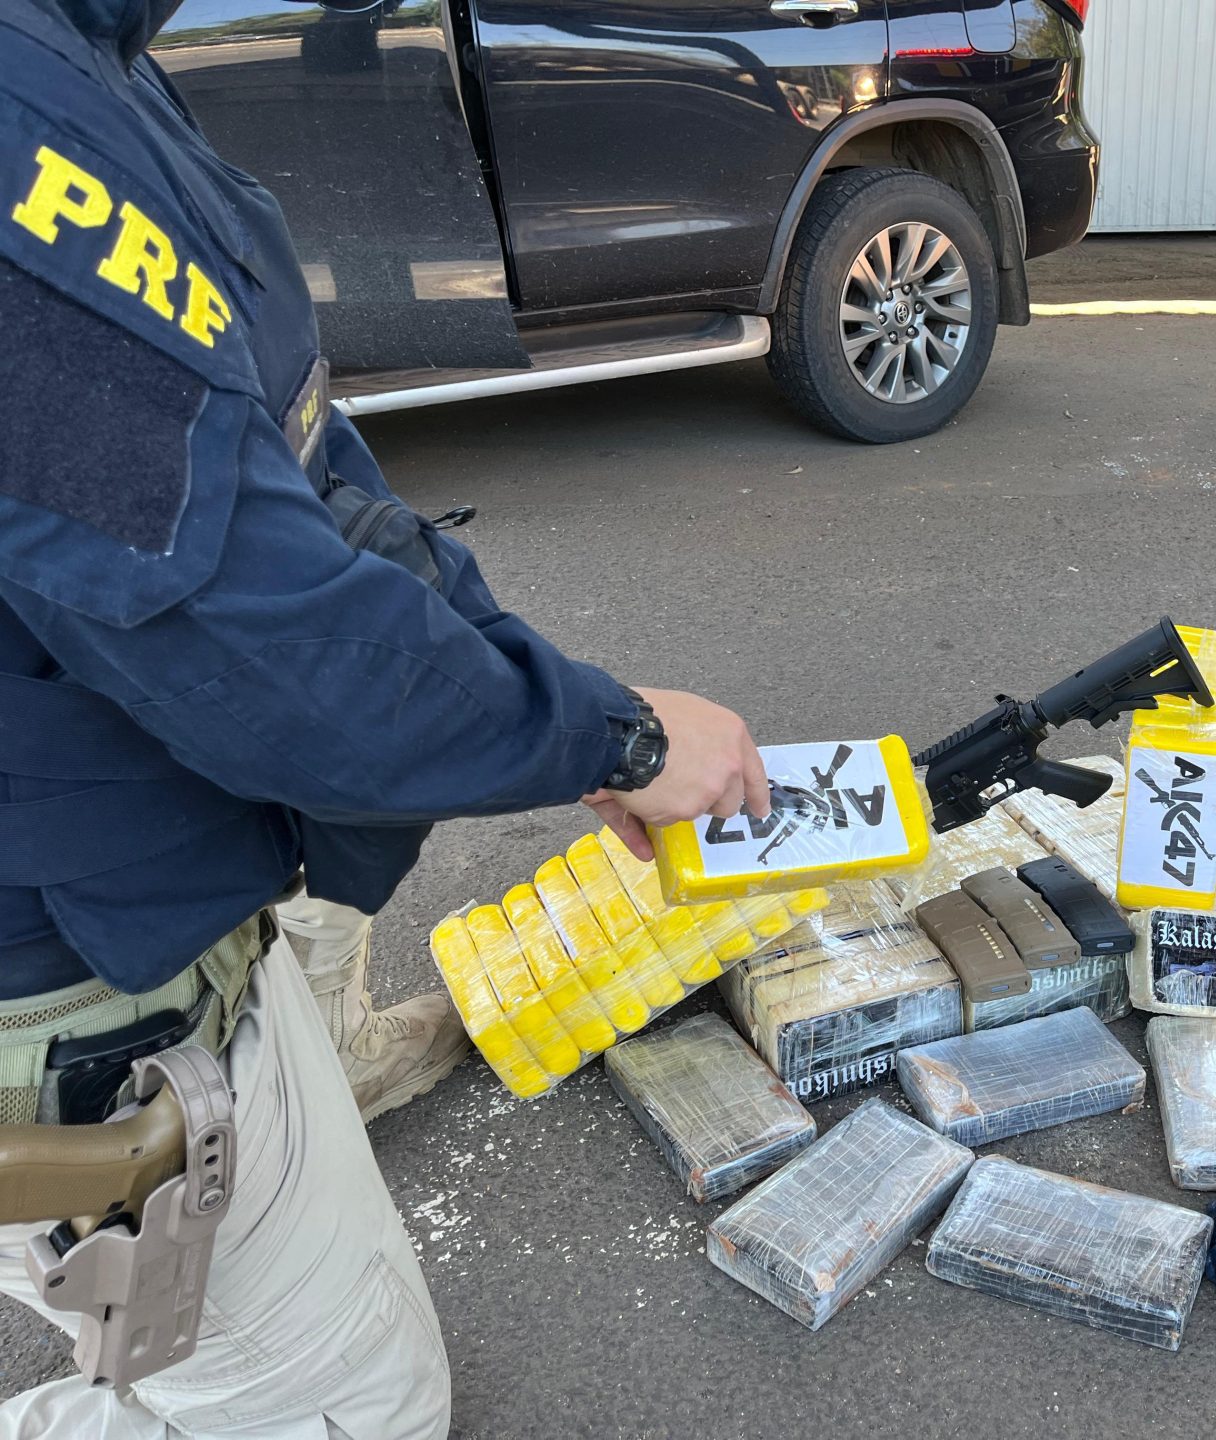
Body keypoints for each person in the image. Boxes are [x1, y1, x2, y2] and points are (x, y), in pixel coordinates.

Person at [0, 0, 771, 1432]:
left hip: (149, 896)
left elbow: (294, 473)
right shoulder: (20, 119)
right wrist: (620, 739)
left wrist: (551, 696)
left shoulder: (86, 56)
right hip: (77, 988)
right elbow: (269, 650)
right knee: (343, 1413)